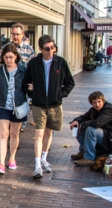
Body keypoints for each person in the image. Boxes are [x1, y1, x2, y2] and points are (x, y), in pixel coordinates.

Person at [22, 35, 75, 179]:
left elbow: (70, 82)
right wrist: (33, 92)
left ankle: (44, 158)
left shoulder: (60, 62)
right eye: (47, 49)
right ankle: (37, 165)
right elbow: (25, 83)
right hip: (39, 105)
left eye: (53, 47)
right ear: (40, 49)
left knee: (49, 133)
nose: (50, 51)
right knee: (39, 134)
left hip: (55, 105)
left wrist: (60, 94)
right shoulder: (34, 63)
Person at [0, 44, 28, 174]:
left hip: (18, 106)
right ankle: (1, 163)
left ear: (16, 56)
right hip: (2, 105)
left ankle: (12, 158)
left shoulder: (23, 70)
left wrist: (31, 89)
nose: (8, 60)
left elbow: (27, 86)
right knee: (3, 134)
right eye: (6, 57)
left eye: (11, 57)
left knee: (14, 133)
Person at [69, 91, 112, 167]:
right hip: (104, 136)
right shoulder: (93, 110)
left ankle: (89, 158)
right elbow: (84, 117)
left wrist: (85, 123)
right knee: (78, 127)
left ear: (103, 101)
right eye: (94, 102)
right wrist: (76, 121)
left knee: (90, 129)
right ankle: (83, 151)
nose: (97, 105)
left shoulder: (109, 109)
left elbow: (98, 123)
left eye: (99, 102)